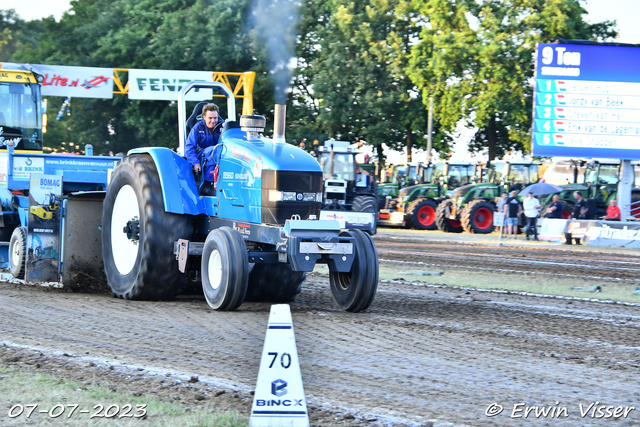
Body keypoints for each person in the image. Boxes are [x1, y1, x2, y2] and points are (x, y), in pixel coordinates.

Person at [185, 103, 223, 195]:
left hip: (220, 155)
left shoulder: (222, 127)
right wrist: (195, 162)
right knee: (213, 150)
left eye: (215, 118)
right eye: (210, 118)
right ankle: (207, 184)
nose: (213, 121)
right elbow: (189, 148)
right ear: (204, 117)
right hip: (202, 156)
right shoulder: (197, 128)